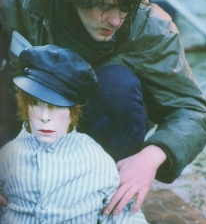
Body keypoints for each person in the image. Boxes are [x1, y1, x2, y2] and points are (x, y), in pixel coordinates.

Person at [0, 0, 206, 216]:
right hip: (22, 128)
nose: (116, 20)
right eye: (104, 7)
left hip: (102, 134)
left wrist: (151, 156)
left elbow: (191, 110)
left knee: (119, 83)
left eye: (125, 8)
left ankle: (105, 201)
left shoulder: (154, 27)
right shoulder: (14, 3)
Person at [0, 45, 148, 223]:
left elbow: (121, 214)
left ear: (73, 112)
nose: (45, 117)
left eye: (58, 106)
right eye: (35, 102)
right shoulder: (8, 155)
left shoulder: (95, 160)